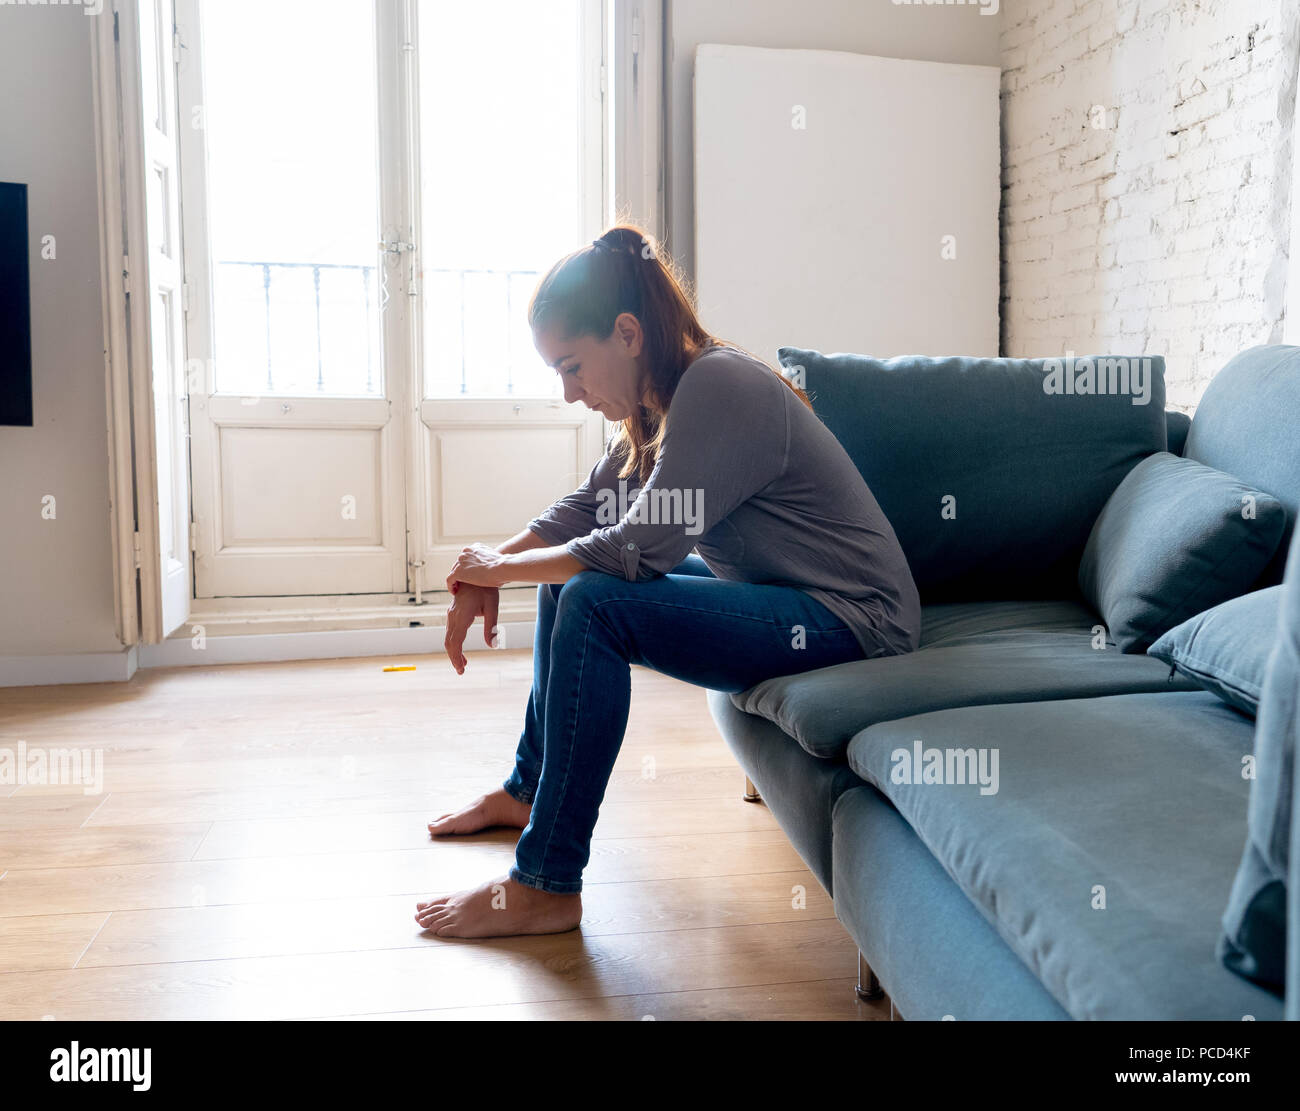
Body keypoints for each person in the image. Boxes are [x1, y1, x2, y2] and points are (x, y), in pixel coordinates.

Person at [414, 225, 920, 938]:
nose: (568, 394)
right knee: (567, 587)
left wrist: (500, 570)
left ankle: (547, 883)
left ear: (626, 333)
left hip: (854, 618)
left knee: (592, 599)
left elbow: (632, 549)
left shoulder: (716, 385)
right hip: (788, 594)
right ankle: (529, 791)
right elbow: (586, 510)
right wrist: (488, 570)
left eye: (571, 367)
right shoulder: (660, 397)